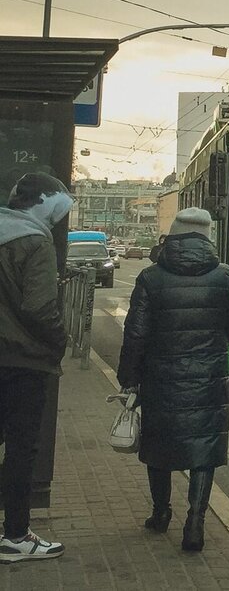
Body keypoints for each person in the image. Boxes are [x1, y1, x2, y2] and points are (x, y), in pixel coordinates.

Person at [117, 208, 229, 552]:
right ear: (208, 237)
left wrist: (128, 378)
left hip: (161, 378)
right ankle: (195, 524)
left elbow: (135, 334)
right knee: (204, 449)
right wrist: (213, 346)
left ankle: (161, 514)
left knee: (159, 444)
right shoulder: (223, 275)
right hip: (208, 378)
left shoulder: (150, 277)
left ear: (172, 236)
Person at [0, 173, 71, 563]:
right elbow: (39, 306)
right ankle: (15, 535)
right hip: (23, 361)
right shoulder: (36, 241)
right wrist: (59, 341)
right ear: (45, 202)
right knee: (21, 450)